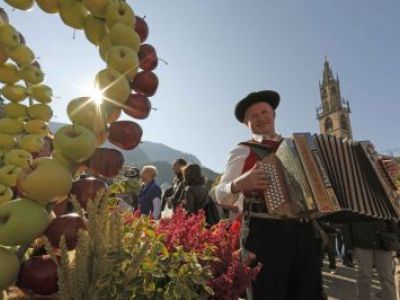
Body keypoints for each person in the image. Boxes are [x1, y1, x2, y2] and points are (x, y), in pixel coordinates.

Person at [215, 90, 322, 299]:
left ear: (273, 115)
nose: (261, 118)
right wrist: (238, 184)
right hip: (264, 233)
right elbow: (219, 193)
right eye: (253, 116)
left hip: (306, 232)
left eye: (264, 112)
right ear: (247, 124)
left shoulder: (301, 148)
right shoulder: (243, 151)